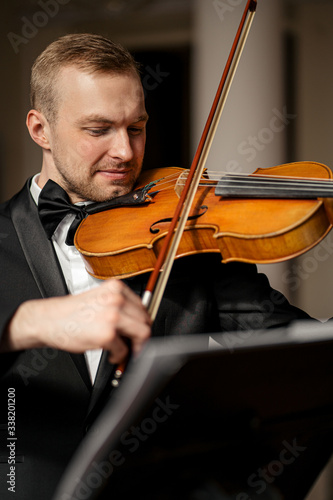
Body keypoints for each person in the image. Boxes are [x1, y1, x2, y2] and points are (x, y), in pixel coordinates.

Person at [0, 33, 329, 500]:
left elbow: (305, 356)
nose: (126, 153)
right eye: (98, 130)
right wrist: (30, 320)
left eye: (136, 128)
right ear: (40, 129)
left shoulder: (185, 233)